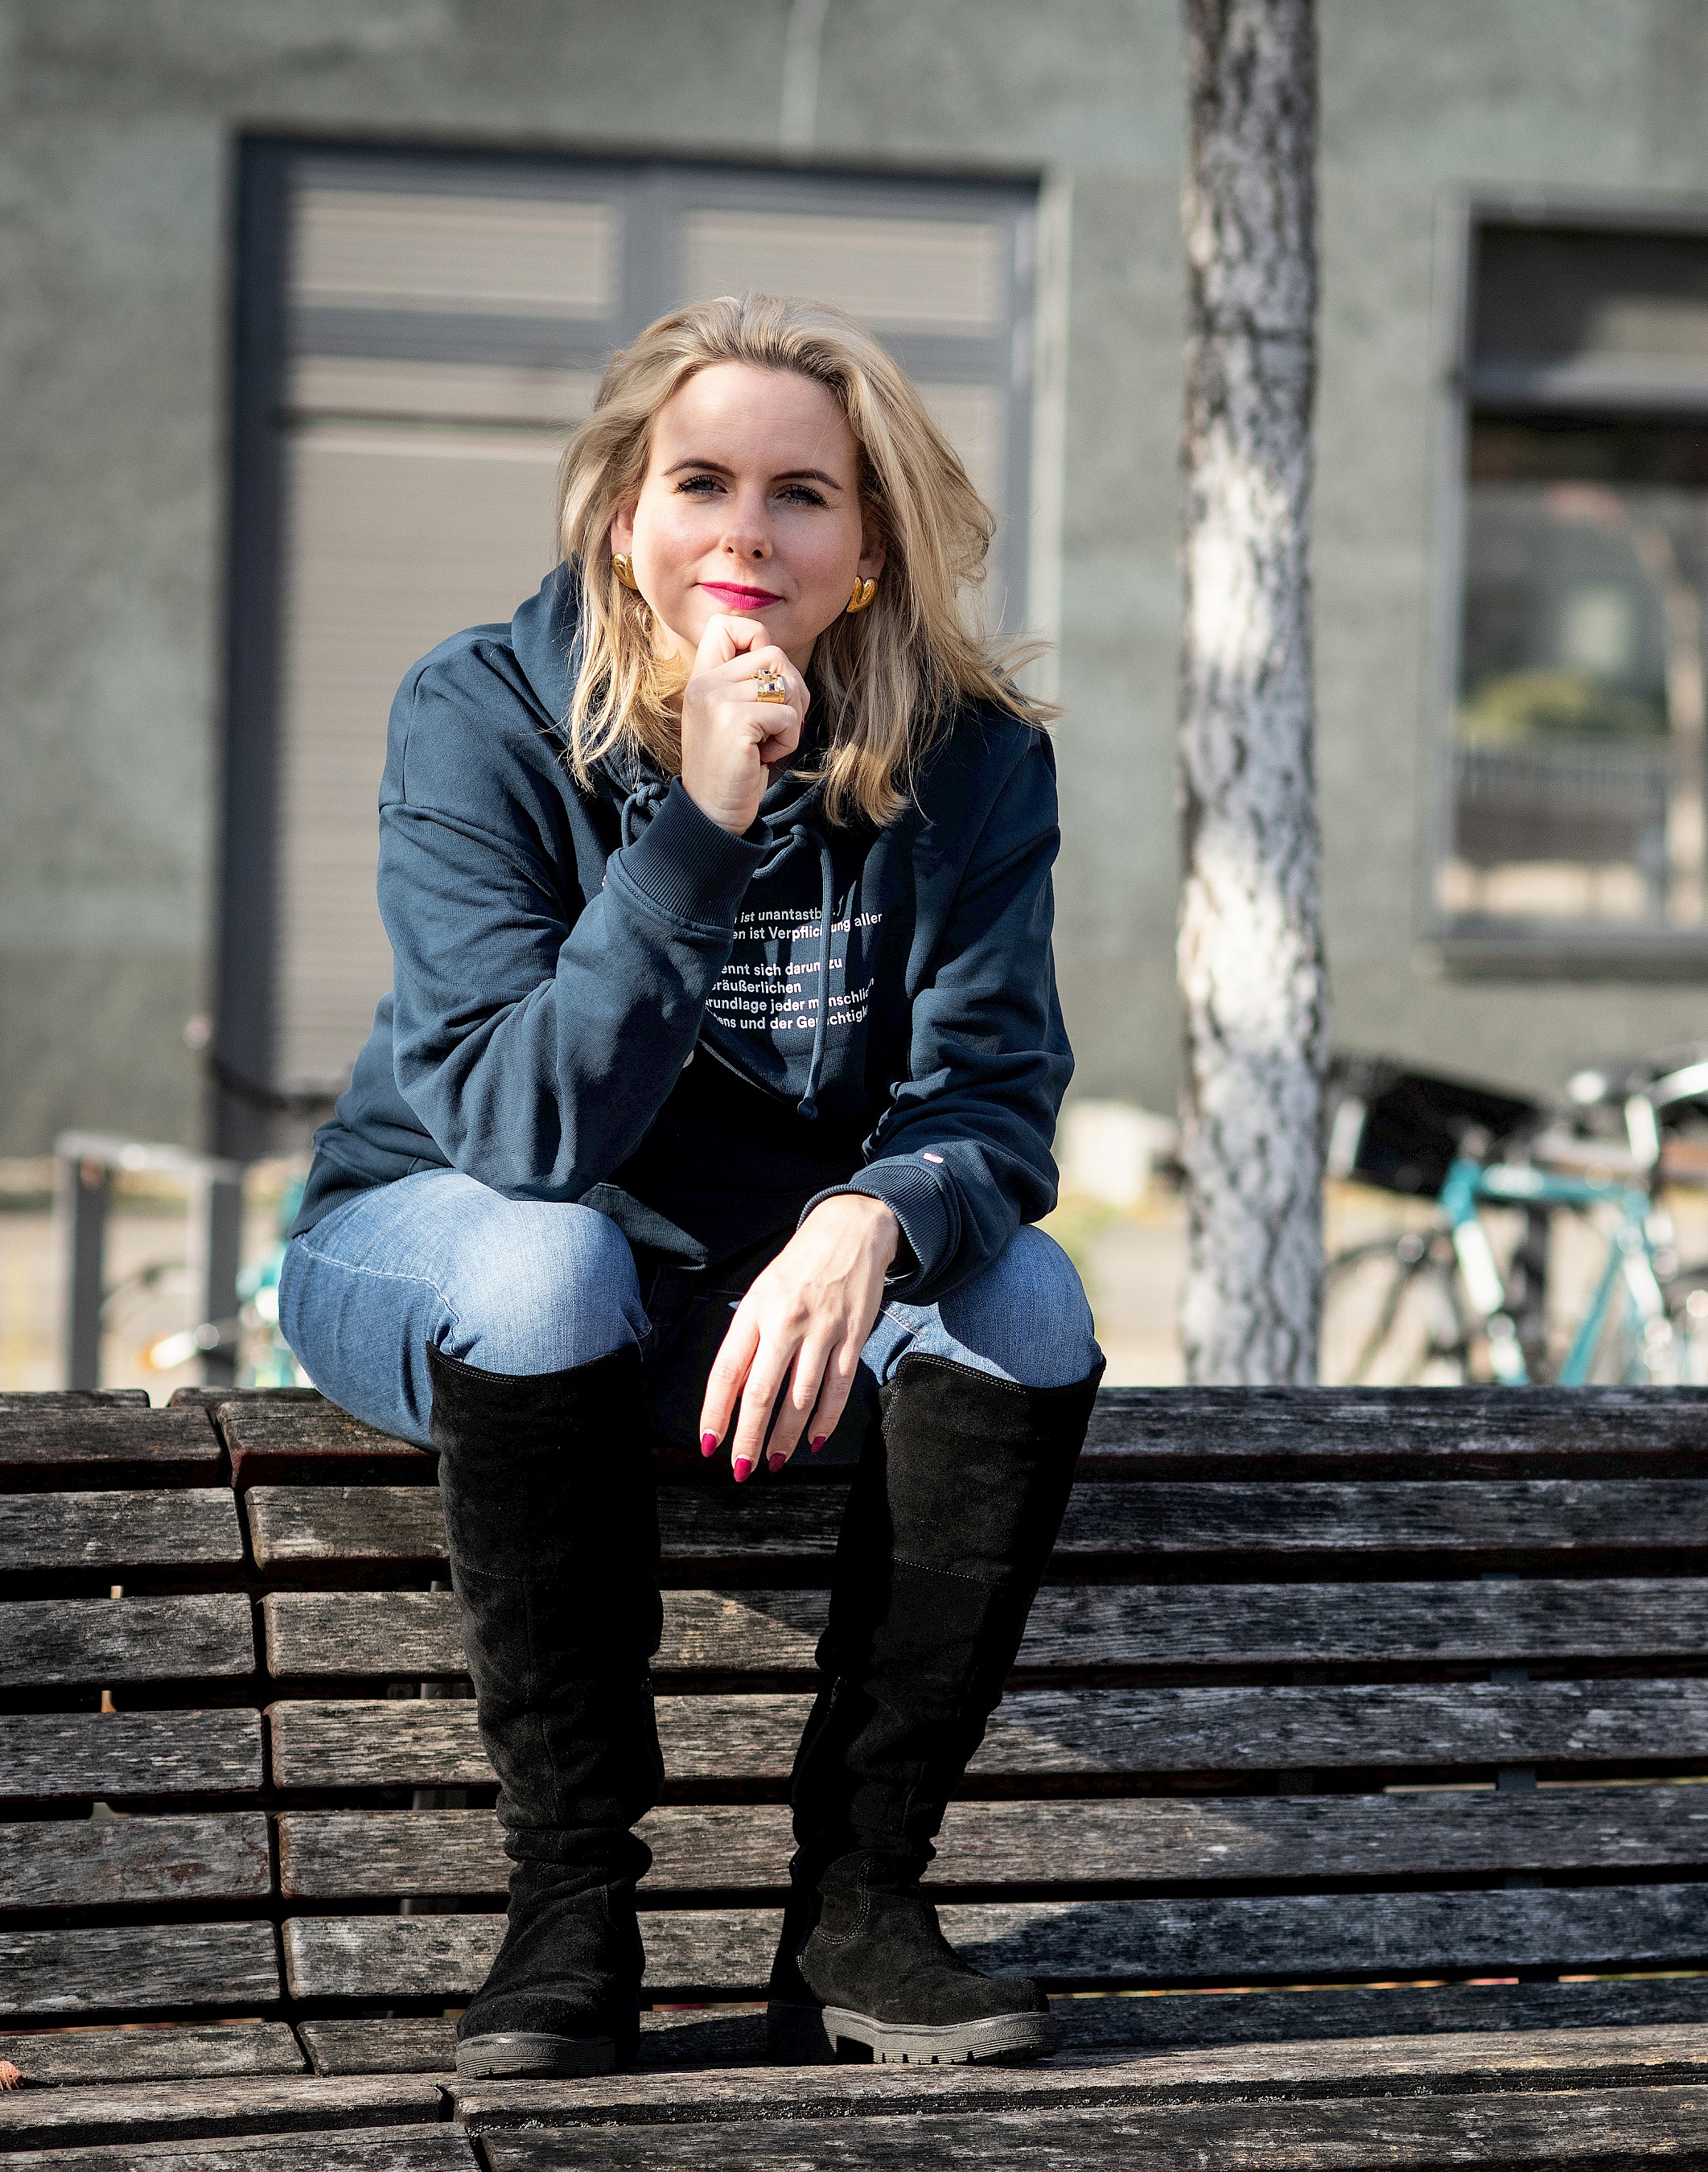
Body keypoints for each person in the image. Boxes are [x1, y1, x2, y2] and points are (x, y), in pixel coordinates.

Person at [277, 294, 1103, 2080]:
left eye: (803, 494)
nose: (748, 532)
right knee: (551, 1259)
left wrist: (870, 1216)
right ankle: (569, 1909)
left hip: (749, 1295)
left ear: (868, 552)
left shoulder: (972, 762)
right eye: (701, 483)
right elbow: (521, 1130)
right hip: (444, 1241)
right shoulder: (485, 714)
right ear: (621, 518)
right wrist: (703, 825)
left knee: (1028, 1302)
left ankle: (859, 1911)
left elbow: (994, 1094)